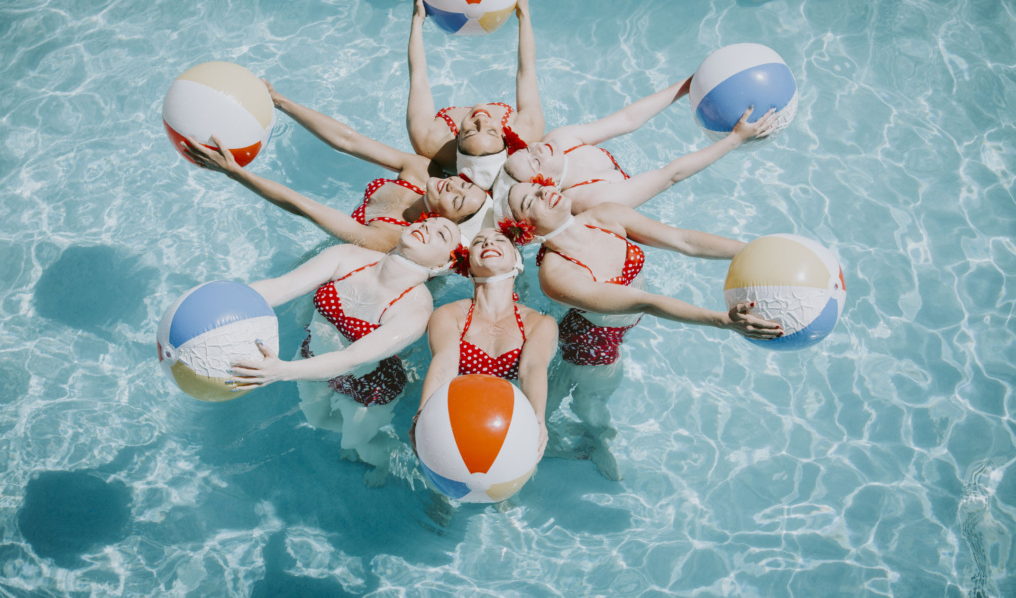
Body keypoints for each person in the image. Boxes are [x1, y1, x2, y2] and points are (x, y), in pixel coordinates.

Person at [495, 182, 782, 479]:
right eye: (529, 203)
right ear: (527, 232)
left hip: (614, 324)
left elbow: (684, 240)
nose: (542, 192)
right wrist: (723, 321)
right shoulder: (556, 274)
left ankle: (534, 430)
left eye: (537, 186)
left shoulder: (605, 216)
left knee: (553, 393)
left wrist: (753, 252)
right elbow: (645, 302)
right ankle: (588, 442)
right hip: (593, 344)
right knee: (591, 402)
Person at [228, 216, 465, 486]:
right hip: (311, 358)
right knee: (316, 418)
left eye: (442, 234)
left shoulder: (416, 310)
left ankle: (383, 454)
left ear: (445, 265)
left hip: (368, 387)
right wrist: (230, 301)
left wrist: (281, 371)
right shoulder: (347, 256)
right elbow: (281, 286)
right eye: (427, 222)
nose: (427, 228)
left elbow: (352, 359)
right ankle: (360, 432)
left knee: (357, 443)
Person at [183, 81, 495, 252]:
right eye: (464, 184)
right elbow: (348, 141)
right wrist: (280, 101)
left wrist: (235, 173)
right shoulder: (423, 171)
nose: (453, 184)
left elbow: (304, 207)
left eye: (457, 199)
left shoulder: (391, 238)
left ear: (448, 222)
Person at [496, 81, 779, 214]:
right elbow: (669, 176)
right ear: (545, 185)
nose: (538, 148)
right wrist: (734, 140)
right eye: (534, 161)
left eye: (527, 149)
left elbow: (627, 119)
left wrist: (689, 85)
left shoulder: (558, 141)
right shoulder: (589, 199)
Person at [412, 227, 557, 460]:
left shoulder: (539, 323)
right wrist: (422, 415)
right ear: (468, 265)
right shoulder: (449, 315)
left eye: (500, 240)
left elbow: (531, 369)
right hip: (461, 412)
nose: (489, 243)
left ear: (517, 261)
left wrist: (537, 419)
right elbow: (445, 363)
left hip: (507, 417)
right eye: (479, 242)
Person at [406, 0, 545, 189]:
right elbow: (526, 71)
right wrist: (523, 13)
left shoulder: (429, 140)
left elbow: (419, 79)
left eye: (470, 131)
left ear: (457, 143)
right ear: (505, 140)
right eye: (491, 131)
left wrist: (417, 19)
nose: (481, 118)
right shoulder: (527, 129)